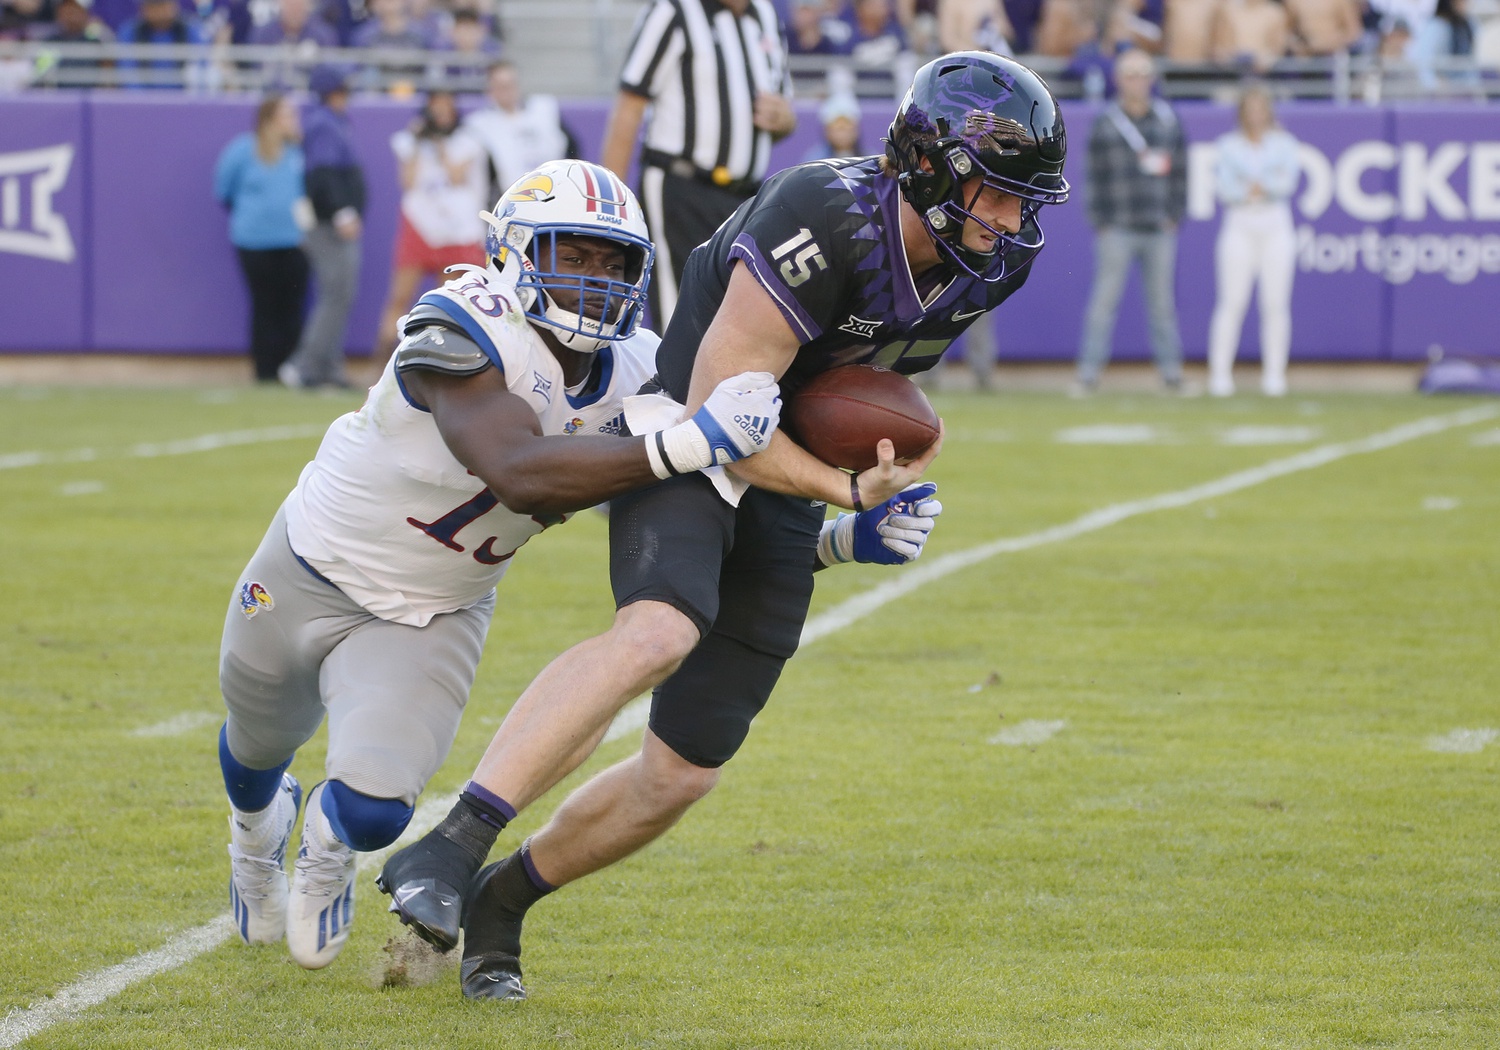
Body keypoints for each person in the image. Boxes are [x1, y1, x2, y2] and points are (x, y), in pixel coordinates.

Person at [378, 50, 1067, 1002]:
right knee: (658, 630)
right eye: (996, 192)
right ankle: (451, 847)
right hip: (692, 429)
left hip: (777, 463)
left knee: (683, 773)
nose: (1013, 219)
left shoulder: (999, 262)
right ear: (932, 166)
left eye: (1024, 200)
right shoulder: (822, 218)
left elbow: (852, 394)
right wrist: (843, 491)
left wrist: (857, 495)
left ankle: (503, 902)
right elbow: (729, 424)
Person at [218, 158, 790, 970]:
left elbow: (696, 523)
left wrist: (840, 524)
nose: (597, 280)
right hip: (312, 564)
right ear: (515, 252)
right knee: (253, 746)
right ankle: (254, 831)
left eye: (615, 261)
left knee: (376, 813)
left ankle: (326, 841)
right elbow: (516, 468)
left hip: (434, 611)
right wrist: (690, 439)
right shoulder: (463, 320)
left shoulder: (639, 371)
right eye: (574, 254)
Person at [600, 0, 795, 328]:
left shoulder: (764, 14)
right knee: (682, 318)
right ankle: (674, 382)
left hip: (744, 197)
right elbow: (631, 104)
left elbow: (783, 108)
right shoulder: (674, 11)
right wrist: (610, 206)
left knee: (734, 318)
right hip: (680, 186)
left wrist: (785, 119)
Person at [1073, 48, 1189, 396]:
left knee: (1162, 306)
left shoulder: (1168, 120)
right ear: (1118, 79)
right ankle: (1088, 375)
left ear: (1152, 78)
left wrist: (1174, 215)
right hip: (1118, 227)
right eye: (1130, 73)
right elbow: (1091, 175)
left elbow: (1182, 173)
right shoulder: (1106, 122)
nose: (1137, 80)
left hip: (1157, 226)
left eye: (1143, 73)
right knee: (1103, 305)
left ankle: (1172, 375)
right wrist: (1100, 220)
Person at [374, 90, 487, 367]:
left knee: (448, 302)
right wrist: (417, 140)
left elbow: (456, 175)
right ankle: (381, 363)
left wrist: (438, 143)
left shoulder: (467, 141)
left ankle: (444, 364)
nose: (440, 117)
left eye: (445, 110)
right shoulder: (409, 142)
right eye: (435, 111)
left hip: (457, 228)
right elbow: (407, 181)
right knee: (400, 297)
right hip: (420, 223)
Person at [1206, 83, 1299, 398]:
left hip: (1275, 223)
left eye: (1262, 108)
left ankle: (1275, 375)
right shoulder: (1228, 145)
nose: (1257, 115)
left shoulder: (1284, 143)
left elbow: (1287, 182)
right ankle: (1220, 375)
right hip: (1240, 222)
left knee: (1275, 303)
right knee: (1232, 302)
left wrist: (1260, 185)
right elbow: (1225, 188)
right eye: (1251, 108)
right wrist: (1254, 188)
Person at [214, 94, 310, 383]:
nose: (293, 121)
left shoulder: (299, 152)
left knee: (292, 307)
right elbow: (223, 191)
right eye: (287, 115)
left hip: (295, 241)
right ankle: (265, 371)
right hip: (254, 242)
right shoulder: (242, 150)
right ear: (269, 119)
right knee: (265, 305)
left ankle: (291, 368)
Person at [279, 65, 363, 391]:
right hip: (329, 225)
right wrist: (342, 212)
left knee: (340, 295)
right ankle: (305, 365)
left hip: (332, 221)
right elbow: (323, 174)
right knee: (335, 294)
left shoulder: (331, 122)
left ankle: (328, 366)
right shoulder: (324, 124)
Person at [463, 60, 579, 207]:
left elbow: (572, 149)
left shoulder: (544, 110)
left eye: (510, 84)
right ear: (490, 89)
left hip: (552, 197)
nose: (507, 91)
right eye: (501, 86)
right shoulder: (480, 125)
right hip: (510, 205)